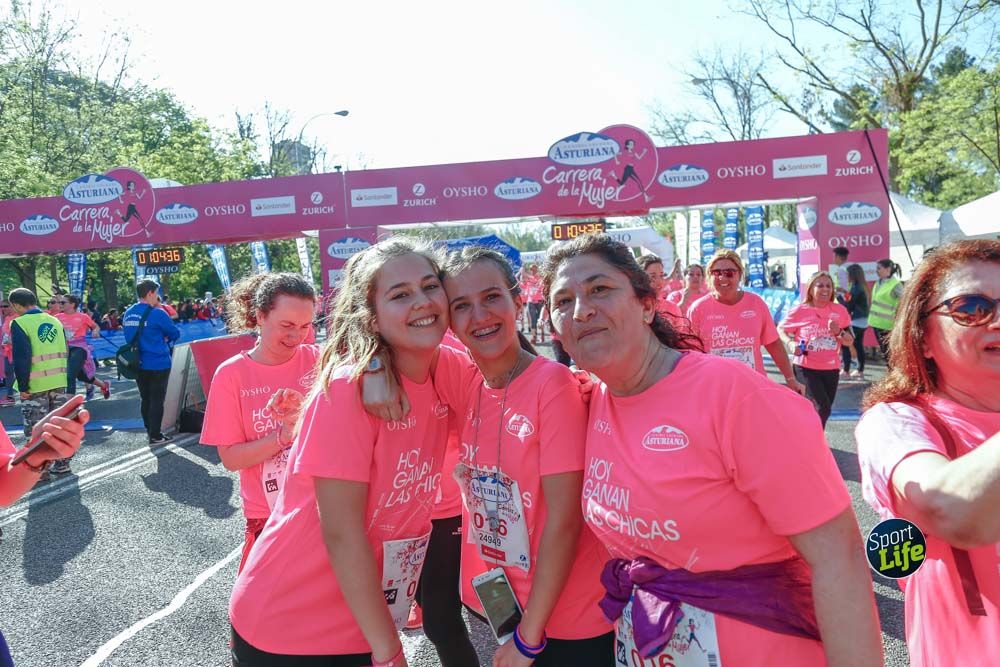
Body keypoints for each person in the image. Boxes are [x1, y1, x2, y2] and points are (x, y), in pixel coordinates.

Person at [541, 234, 883, 667]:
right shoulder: (588, 401)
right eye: (563, 300)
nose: (581, 310)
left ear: (647, 305)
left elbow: (839, 559)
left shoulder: (735, 396)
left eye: (600, 289)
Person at [229, 238, 457, 666]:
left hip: (364, 618)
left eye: (431, 286)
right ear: (370, 314)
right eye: (400, 294)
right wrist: (389, 651)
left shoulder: (447, 368)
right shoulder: (347, 390)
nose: (422, 301)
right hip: (293, 627)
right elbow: (341, 532)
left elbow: (510, 381)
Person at [431, 247, 613, 665]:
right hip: (505, 601)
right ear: (449, 321)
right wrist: (373, 370)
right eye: (462, 305)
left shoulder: (554, 385)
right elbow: (393, 337)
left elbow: (566, 520)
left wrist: (529, 638)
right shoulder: (467, 382)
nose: (479, 315)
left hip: (563, 618)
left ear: (517, 301)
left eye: (491, 297)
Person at [856, 240, 1000, 667]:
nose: (997, 320)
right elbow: (951, 509)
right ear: (922, 339)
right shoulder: (895, 422)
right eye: (971, 308)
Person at [200, 273, 318, 572]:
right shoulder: (231, 375)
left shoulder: (320, 361)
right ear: (261, 316)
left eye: (305, 326)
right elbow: (230, 458)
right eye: (287, 325)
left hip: (325, 510)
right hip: (269, 515)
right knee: (258, 600)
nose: (297, 336)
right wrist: (283, 435)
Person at [687, 250, 804, 394]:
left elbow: (773, 343)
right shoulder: (698, 309)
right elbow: (690, 354)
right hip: (715, 389)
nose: (722, 277)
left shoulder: (755, 304)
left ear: (740, 275)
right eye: (716, 273)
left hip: (753, 387)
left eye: (729, 273)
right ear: (709, 276)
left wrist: (790, 379)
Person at [8, 288, 72, 477]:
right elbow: (65, 349)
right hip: (58, 380)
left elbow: (22, 358)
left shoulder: (19, 323)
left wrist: (23, 386)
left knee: (36, 429)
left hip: (35, 384)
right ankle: (62, 463)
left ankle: (41, 470)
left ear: (17, 305)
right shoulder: (55, 320)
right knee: (57, 425)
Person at [778, 272, 854, 428]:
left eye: (828, 286)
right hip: (805, 367)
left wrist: (838, 332)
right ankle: (815, 440)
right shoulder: (800, 310)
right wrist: (790, 343)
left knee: (822, 409)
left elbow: (849, 340)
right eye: (820, 286)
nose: (825, 289)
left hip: (831, 368)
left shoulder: (840, 311)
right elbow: (780, 329)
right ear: (811, 289)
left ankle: (805, 435)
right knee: (822, 407)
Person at [122, 280, 180, 445]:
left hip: (137, 362)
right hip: (158, 362)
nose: (157, 297)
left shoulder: (128, 313)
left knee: (145, 398)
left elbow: (128, 336)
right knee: (156, 400)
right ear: (150, 293)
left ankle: (149, 431)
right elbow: (175, 333)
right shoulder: (158, 313)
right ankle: (155, 434)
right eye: (156, 293)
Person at [57, 295, 111, 400]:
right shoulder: (57, 317)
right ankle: (104, 385)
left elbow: (95, 326)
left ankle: (70, 405)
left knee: (70, 375)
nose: (60, 304)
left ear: (72, 304)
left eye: (63, 303)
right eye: (60, 302)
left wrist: (95, 331)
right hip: (64, 348)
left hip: (79, 347)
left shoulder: (83, 317)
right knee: (82, 376)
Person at [868, 258, 903, 362]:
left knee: (889, 353)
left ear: (888, 269)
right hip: (876, 324)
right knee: (885, 352)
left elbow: (905, 300)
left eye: (879, 268)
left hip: (887, 325)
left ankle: (893, 370)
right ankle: (891, 369)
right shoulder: (878, 283)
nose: (876, 271)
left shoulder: (895, 284)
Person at [841, 264, 871, 381]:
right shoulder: (861, 286)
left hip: (856, 321)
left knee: (845, 343)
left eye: (848, 274)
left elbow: (849, 305)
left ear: (853, 275)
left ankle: (846, 371)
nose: (847, 277)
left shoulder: (856, 288)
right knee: (858, 345)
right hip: (863, 321)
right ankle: (860, 370)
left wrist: (839, 299)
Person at [637, 254, 683, 323]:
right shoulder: (631, 307)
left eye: (661, 275)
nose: (659, 282)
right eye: (653, 276)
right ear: (639, 278)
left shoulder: (672, 309)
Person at [520, 263, 546, 344]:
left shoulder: (540, 279)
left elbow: (524, 273)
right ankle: (534, 337)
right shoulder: (529, 279)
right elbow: (523, 274)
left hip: (540, 301)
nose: (533, 271)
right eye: (531, 269)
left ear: (537, 270)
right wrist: (523, 266)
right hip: (530, 302)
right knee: (532, 320)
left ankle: (542, 335)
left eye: (534, 269)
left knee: (540, 319)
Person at [0, 300, 15, 406]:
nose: (3, 308)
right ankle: (10, 396)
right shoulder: (6, 318)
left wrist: (11, 341)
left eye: (5, 306)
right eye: (1, 306)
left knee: (19, 373)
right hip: (7, 350)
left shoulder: (17, 317)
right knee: (8, 372)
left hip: (16, 350)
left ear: (12, 306)